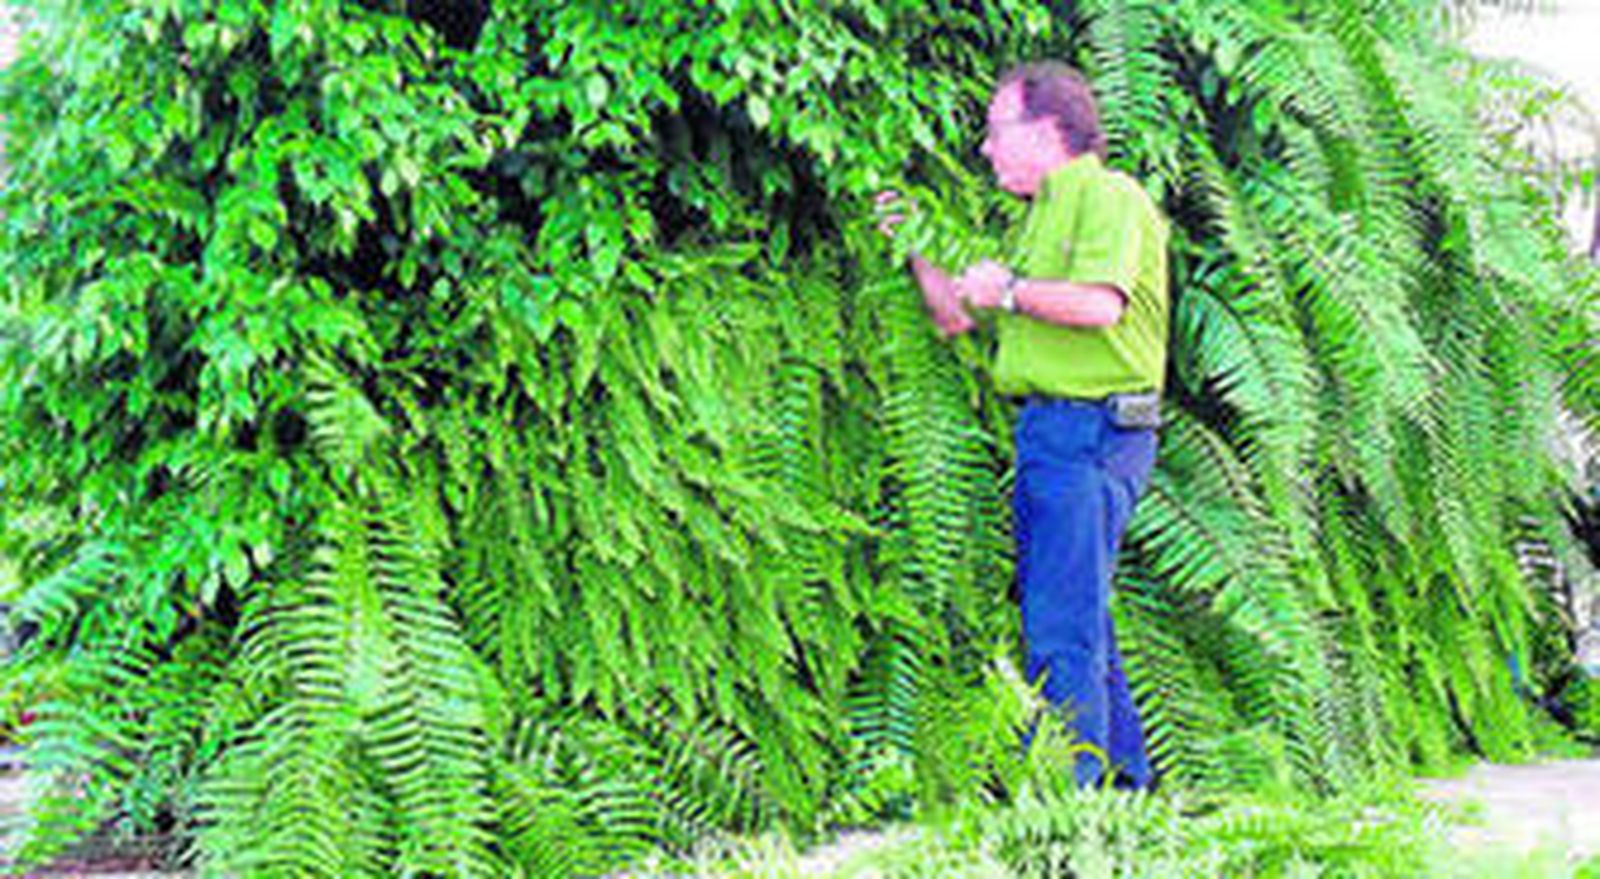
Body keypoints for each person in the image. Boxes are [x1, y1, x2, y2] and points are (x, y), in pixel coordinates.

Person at [876, 61, 1171, 790]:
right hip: (1054, 434)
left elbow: (1102, 304)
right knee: (1078, 617)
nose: (984, 148)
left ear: (1046, 132)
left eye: (994, 131)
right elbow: (955, 314)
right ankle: (1128, 795)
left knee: (1059, 624)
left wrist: (1009, 289)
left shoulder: (1110, 197)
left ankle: (1069, 815)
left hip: (1097, 431)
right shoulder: (1039, 216)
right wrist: (913, 241)